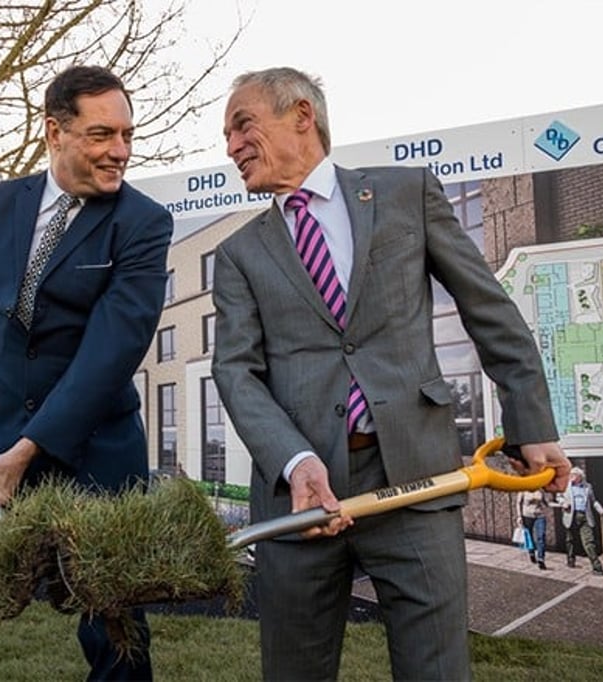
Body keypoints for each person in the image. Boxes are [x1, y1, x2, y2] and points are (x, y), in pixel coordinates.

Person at [210, 67, 572, 681]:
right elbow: (235, 372)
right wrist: (295, 461)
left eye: (242, 125)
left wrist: (530, 423)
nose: (231, 146)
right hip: (300, 500)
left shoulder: (407, 194)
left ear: (302, 115)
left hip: (416, 478)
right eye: (225, 136)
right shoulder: (239, 253)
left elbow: (491, 314)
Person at [0, 65, 172, 680]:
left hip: (98, 445)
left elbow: (111, 353)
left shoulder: (143, 224)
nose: (119, 151)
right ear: (54, 132)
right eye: (101, 135)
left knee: (115, 623)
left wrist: (27, 452)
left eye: (127, 135)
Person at [560, 466, 603, 575]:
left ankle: (597, 567)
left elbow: (593, 501)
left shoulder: (587, 487)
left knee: (588, 542)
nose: (571, 477)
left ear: (580, 476)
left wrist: (600, 509)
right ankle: (571, 559)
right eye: (570, 475)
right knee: (569, 540)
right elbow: (559, 496)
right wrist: (563, 503)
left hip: (585, 517)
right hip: (571, 515)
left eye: (574, 475)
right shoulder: (566, 486)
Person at [517, 489, 551, 570]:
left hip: (540, 515)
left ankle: (541, 559)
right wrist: (519, 516)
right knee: (529, 536)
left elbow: (545, 502)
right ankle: (531, 552)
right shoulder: (523, 489)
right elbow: (518, 503)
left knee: (541, 536)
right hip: (527, 516)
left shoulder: (540, 490)